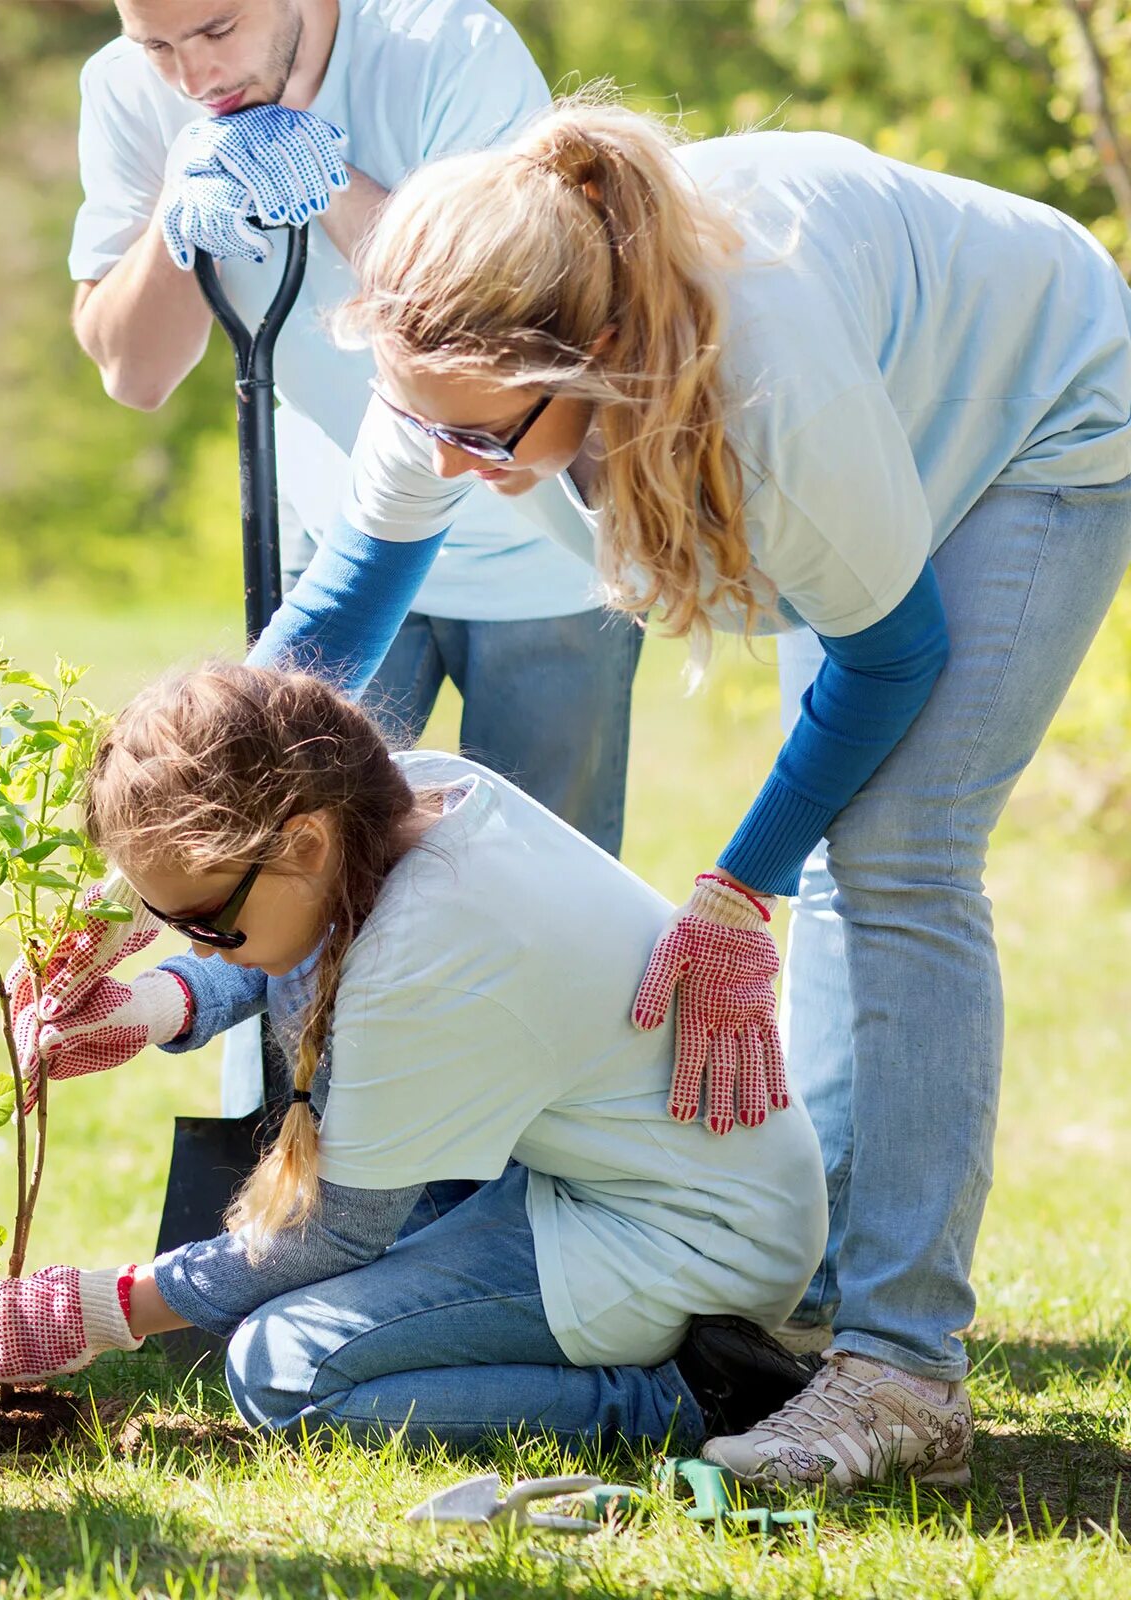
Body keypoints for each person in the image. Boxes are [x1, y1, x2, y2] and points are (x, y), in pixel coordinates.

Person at [244, 97, 1131, 1487]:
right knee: (852, 839)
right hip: (874, 425)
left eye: (487, 439)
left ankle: (903, 1369)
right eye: (432, 431)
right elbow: (346, 606)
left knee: (894, 853)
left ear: (591, 359)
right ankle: (814, 1300)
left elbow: (893, 658)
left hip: (1032, 408)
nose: (455, 471)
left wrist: (733, 892)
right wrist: (180, 805)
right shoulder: (452, 366)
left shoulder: (769, 380)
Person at [0, 664, 830, 1457]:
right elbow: (302, 935)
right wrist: (154, 1007)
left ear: (304, 842)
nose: (197, 947)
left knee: (282, 1368)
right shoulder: (410, 798)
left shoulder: (424, 954)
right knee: (308, 1312)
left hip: (690, 1237)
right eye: (174, 926)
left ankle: (688, 1396)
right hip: (651, 1184)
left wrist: (97, 1307)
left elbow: (334, 1235)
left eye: (206, 922)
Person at [70, 0, 640, 851]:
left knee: (549, 875)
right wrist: (173, 218)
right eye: (157, 46)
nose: (195, 79)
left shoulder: (452, 47)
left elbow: (499, 308)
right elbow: (135, 372)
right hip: (342, 531)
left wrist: (327, 178)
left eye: (219, 32)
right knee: (316, 873)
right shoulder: (126, 92)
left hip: (539, 538)